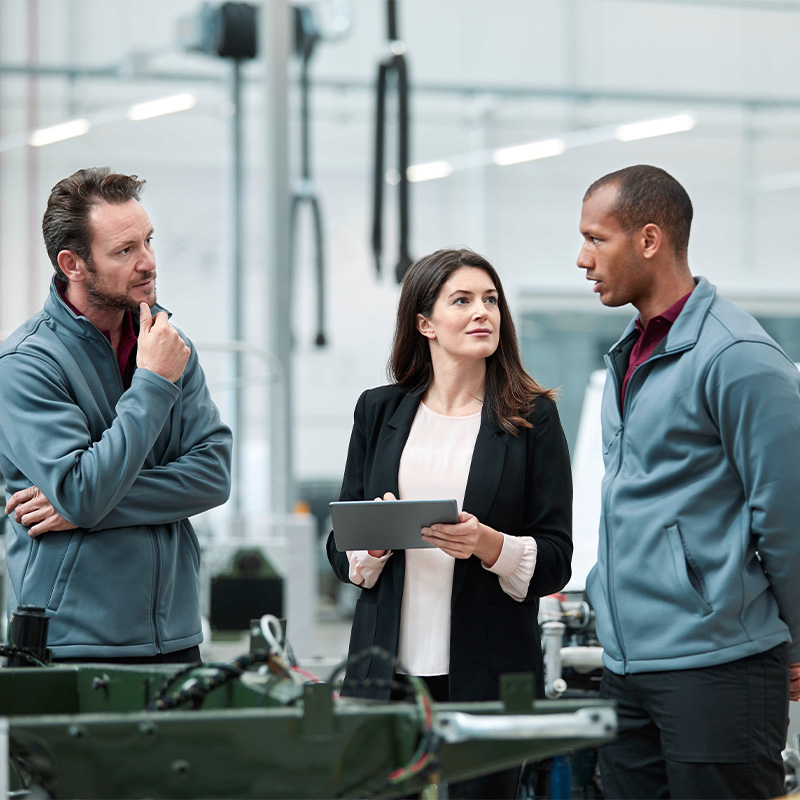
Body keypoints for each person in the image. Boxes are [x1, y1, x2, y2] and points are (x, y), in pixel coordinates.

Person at [577, 164, 800, 799]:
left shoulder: (737, 357)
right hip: (629, 664)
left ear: (649, 240)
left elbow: (786, 511)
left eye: (597, 239)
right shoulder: (632, 350)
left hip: (717, 666)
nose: (582, 258)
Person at [326, 248, 573, 799]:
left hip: (489, 671)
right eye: (461, 300)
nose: (482, 311)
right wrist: (376, 543)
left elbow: (557, 558)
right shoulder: (378, 410)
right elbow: (340, 548)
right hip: (385, 674)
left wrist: (488, 544)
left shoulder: (532, 417)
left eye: (490, 300)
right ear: (425, 323)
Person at [0, 167, 232, 665]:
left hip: (176, 636)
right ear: (73, 264)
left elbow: (213, 476)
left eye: (148, 241)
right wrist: (152, 385)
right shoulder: (26, 365)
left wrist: (85, 510)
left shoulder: (168, 344)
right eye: (125, 251)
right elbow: (83, 491)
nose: (148, 262)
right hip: (71, 644)